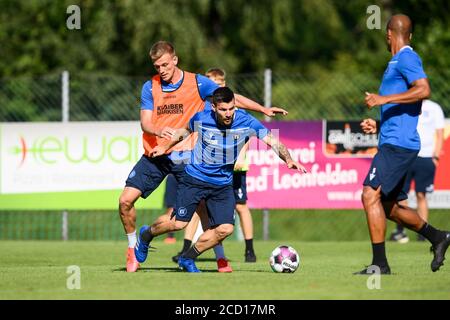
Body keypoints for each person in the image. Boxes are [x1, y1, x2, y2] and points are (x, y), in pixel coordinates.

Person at [118, 41, 288, 272]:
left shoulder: (197, 82)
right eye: (157, 66)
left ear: (175, 60)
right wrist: (159, 131)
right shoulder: (150, 87)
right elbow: (145, 122)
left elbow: (230, 98)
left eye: (165, 64)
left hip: (185, 155)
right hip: (157, 152)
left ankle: (217, 259)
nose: (162, 70)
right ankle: (133, 247)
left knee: (204, 213)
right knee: (125, 201)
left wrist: (263, 109)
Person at [134, 87, 307, 272]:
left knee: (225, 229)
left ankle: (188, 258)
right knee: (178, 224)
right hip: (194, 179)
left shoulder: (246, 121)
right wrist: (164, 147)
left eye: (231, 108)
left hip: (223, 184)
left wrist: (288, 159)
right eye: (223, 109)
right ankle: (146, 234)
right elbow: (183, 132)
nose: (228, 113)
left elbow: (273, 141)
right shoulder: (202, 118)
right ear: (213, 107)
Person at [357, 14, 450, 274]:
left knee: (369, 194)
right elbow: (403, 107)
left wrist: (382, 100)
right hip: (394, 139)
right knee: (390, 207)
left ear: (389, 34)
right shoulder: (396, 62)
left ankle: (380, 265)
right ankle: (439, 237)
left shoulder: (407, 57)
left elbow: (423, 89)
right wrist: (378, 124)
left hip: (398, 145)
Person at [172, 68, 257, 270]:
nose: (214, 84)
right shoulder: (203, 108)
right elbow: (191, 130)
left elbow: (247, 131)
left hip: (231, 169)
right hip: (203, 168)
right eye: (210, 81)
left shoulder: (232, 108)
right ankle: (200, 253)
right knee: (199, 210)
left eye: (218, 81)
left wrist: (242, 153)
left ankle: (249, 249)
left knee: (239, 207)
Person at [389, 99, 445, 243]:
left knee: (422, 195)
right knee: (401, 195)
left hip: (426, 157)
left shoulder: (434, 107)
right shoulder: (405, 104)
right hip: (407, 156)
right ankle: (401, 232)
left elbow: (440, 133)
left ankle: (424, 233)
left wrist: (436, 157)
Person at [163, 174, 177, 244]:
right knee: (171, 208)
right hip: (174, 175)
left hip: (191, 174)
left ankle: (188, 240)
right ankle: (170, 237)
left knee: (192, 207)